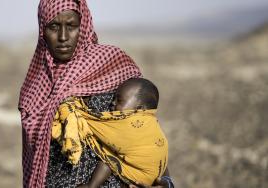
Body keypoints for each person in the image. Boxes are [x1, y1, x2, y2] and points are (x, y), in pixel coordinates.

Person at [18, 0, 174, 187]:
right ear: (42, 29)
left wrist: (166, 181)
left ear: (83, 26)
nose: (63, 36)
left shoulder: (114, 67)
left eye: (72, 26)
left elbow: (147, 137)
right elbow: (34, 164)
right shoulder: (34, 91)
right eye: (53, 26)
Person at [61, 78, 167, 188]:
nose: (113, 102)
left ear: (139, 109)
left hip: (139, 177)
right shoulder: (148, 120)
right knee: (110, 156)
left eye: (119, 100)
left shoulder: (132, 125)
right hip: (144, 171)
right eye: (114, 98)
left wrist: (79, 114)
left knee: (108, 159)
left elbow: (101, 129)